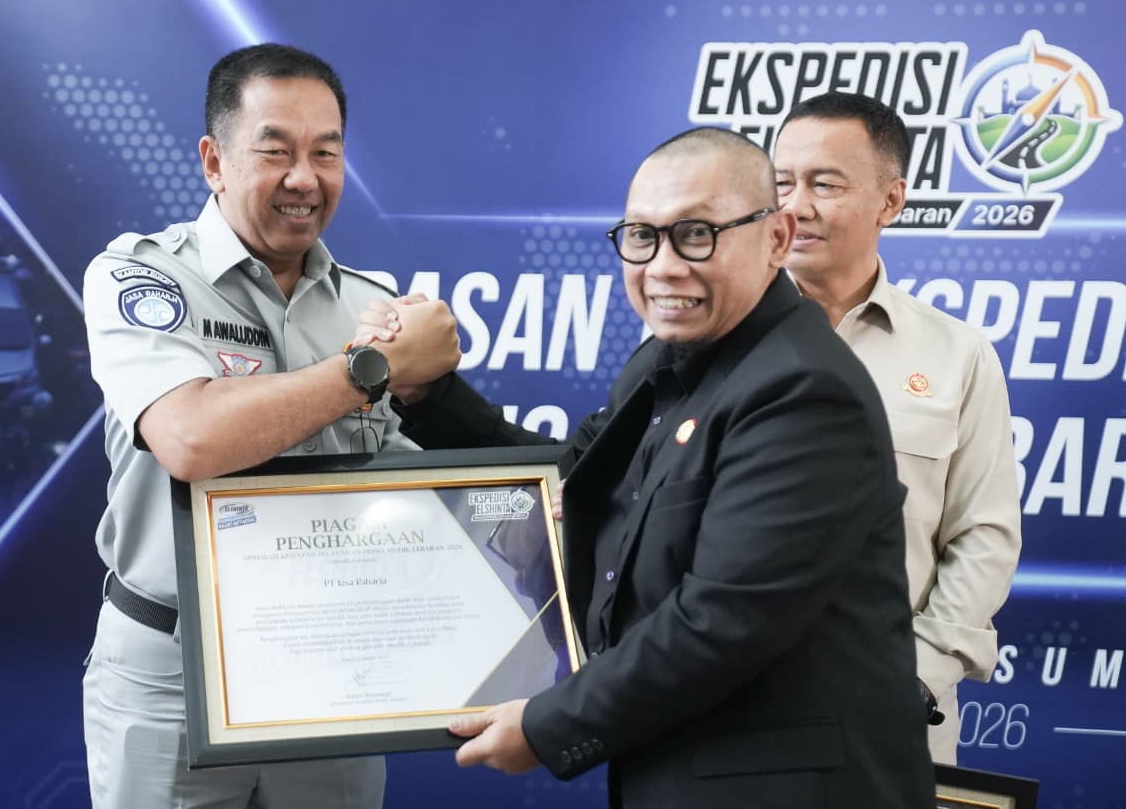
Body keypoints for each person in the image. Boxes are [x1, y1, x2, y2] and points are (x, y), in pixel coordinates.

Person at [358, 127, 934, 807]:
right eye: (642, 236)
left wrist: (546, 725)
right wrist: (428, 393)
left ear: (776, 238)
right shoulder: (664, 359)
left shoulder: (803, 390)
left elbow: (722, 621)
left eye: (696, 234)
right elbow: (566, 481)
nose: (663, 266)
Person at [80, 43, 460, 809]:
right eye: (275, 151)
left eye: (326, 153)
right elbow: (192, 439)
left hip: (332, 673)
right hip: (172, 674)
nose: (304, 178)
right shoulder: (141, 277)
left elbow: (409, 489)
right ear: (214, 162)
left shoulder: (373, 305)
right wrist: (370, 369)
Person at [774, 91, 1022, 764]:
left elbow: (984, 535)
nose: (796, 206)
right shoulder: (711, 343)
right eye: (782, 183)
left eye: (825, 184)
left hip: (892, 725)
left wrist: (912, 677)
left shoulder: (958, 354)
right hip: (727, 719)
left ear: (891, 201)